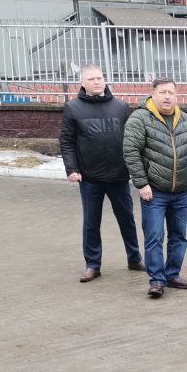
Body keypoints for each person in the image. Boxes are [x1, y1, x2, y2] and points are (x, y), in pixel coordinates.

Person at [59, 64, 142, 282]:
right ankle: (93, 265)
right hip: (89, 177)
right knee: (91, 222)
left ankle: (134, 258)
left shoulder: (121, 107)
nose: (97, 82)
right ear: (83, 83)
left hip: (119, 175)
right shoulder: (73, 108)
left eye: (100, 77)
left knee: (127, 219)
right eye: (92, 79)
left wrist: (136, 167)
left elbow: (133, 139)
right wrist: (72, 168)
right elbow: (67, 142)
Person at [122, 78, 187, 298]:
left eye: (171, 92)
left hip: (180, 192)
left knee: (179, 236)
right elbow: (131, 153)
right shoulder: (139, 119)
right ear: (153, 94)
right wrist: (142, 183)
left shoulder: (185, 120)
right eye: (162, 92)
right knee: (154, 236)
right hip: (154, 192)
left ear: (177, 95)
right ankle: (157, 280)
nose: (167, 97)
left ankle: (172, 275)